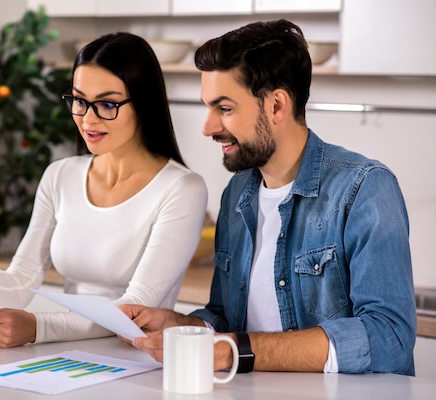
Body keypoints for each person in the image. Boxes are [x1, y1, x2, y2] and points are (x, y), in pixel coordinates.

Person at [121, 19, 416, 375]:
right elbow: (228, 320)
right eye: (208, 107)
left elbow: (389, 337)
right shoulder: (238, 193)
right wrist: (183, 327)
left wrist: (235, 351)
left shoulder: (364, 189)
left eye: (224, 108)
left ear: (277, 105)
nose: (208, 127)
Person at [0, 32, 208, 348]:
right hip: (69, 355)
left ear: (143, 103)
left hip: (138, 360)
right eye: (79, 100)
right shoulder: (60, 176)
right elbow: (19, 282)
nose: (88, 119)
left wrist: (39, 328)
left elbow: (135, 308)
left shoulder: (182, 189)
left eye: (106, 103)